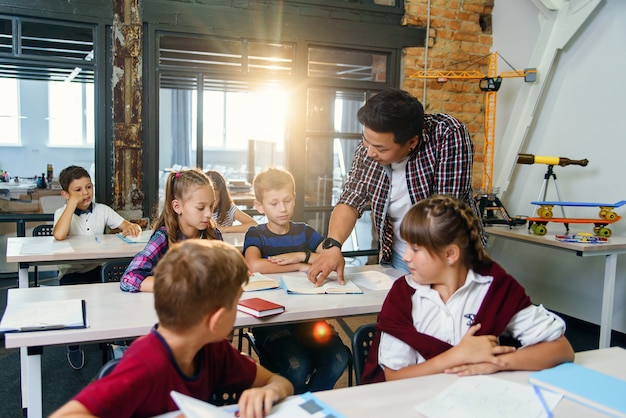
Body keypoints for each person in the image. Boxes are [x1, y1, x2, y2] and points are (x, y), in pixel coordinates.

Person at [50, 239, 294, 418]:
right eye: (236, 302)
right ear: (217, 320)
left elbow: (281, 382)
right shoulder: (146, 363)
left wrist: (270, 391)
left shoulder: (213, 350)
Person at [361, 195, 575, 384]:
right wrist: (458, 356)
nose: (406, 256)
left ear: (450, 254)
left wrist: (497, 362)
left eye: (416, 249)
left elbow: (561, 349)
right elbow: (394, 377)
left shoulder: (494, 287)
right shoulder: (404, 294)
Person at [307, 87, 483, 286]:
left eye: (380, 148)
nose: (370, 153)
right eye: (366, 142)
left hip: (446, 255)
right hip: (400, 255)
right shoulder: (371, 146)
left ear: (412, 142)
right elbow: (351, 197)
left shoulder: (448, 134)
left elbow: (445, 212)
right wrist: (333, 246)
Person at [243, 167, 350, 394]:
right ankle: (297, 405)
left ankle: (307, 402)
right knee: (297, 366)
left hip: (308, 318)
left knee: (340, 357)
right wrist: (301, 266)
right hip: (272, 322)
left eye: (287, 200)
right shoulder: (256, 233)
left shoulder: (305, 232)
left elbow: (333, 259)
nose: (282, 209)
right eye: (274, 203)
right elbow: (254, 265)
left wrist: (304, 255)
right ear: (259, 206)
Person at [53, 165, 142, 370]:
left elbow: (125, 225)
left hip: (97, 269)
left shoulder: (102, 209)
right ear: (65, 194)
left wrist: (130, 227)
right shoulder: (62, 212)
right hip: (71, 273)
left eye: (88, 187)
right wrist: (70, 205)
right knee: (74, 314)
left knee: (110, 305)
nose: (85, 193)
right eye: (78, 190)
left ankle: (115, 341)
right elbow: (59, 235)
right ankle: (74, 345)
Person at [120, 168, 222, 293]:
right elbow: (128, 279)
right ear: (177, 207)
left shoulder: (213, 234)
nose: (208, 214)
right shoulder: (163, 237)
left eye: (211, 206)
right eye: (200, 208)